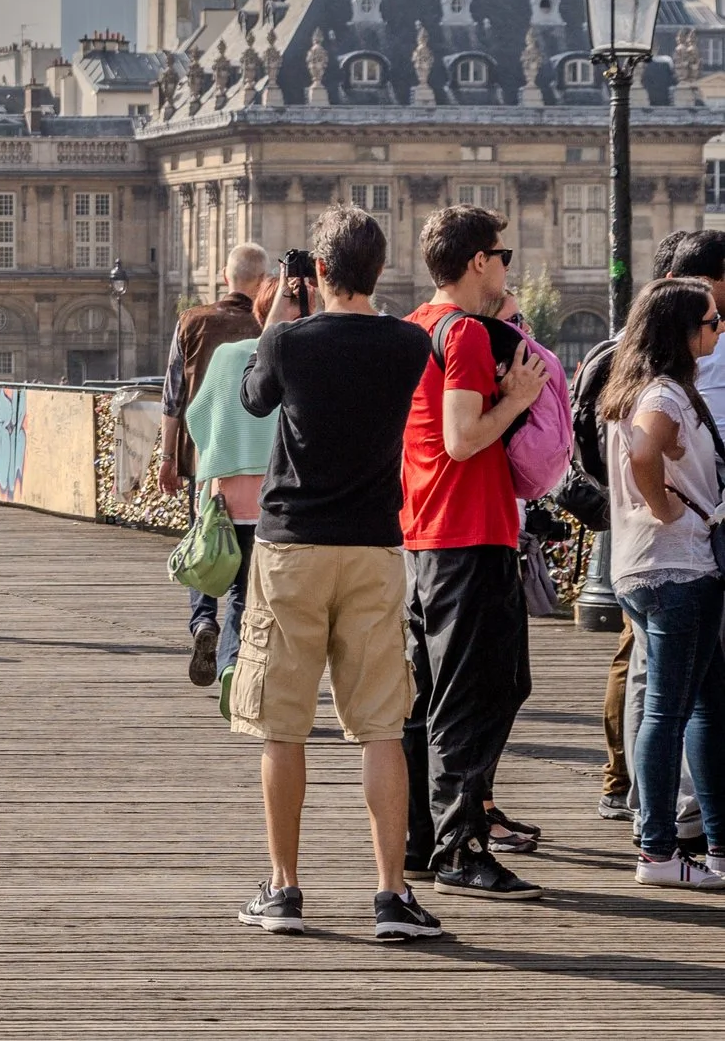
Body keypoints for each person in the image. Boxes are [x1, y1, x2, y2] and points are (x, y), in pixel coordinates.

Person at [230, 205, 439, 941]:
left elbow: (253, 397)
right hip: (376, 547)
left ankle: (285, 888)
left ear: (316, 272)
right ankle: (390, 894)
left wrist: (282, 314)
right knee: (382, 723)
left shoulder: (288, 341)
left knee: (282, 725)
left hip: (291, 546)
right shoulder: (410, 344)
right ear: (379, 270)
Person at [396, 204, 549, 900]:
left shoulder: (413, 330)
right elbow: (462, 438)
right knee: (478, 692)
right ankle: (460, 845)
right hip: (469, 530)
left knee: (433, 696)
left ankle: (421, 840)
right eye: (504, 254)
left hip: (425, 533)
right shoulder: (461, 335)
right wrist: (516, 398)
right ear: (478, 261)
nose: (507, 266)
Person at [600, 276, 725, 889]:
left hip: (644, 566)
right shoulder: (664, 395)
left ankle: (712, 842)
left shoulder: (639, 390)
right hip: (674, 565)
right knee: (670, 710)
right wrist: (668, 508)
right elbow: (645, 455)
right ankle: (656, 850)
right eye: (710, 322)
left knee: (700, 704)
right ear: (682, 332)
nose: (718, 328)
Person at [160, 244, 272, 684]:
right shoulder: (271, 330)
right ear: (265, 283)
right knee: (247, 574)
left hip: (208, 462)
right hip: (265, 468)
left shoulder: (193, 321)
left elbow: (177, 400)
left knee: (206, 543)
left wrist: (169, 457)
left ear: (225, 277)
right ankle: (231, 656)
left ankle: (204, 619)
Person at [180, 278, 280, 711]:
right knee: (248, 595)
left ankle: (205, 624)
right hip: (274, 501)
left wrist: (217, 465)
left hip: (225, 496)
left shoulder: (226, 356)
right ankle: (232, 667)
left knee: (222, 576)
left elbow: (197, 417)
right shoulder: (294, 360)